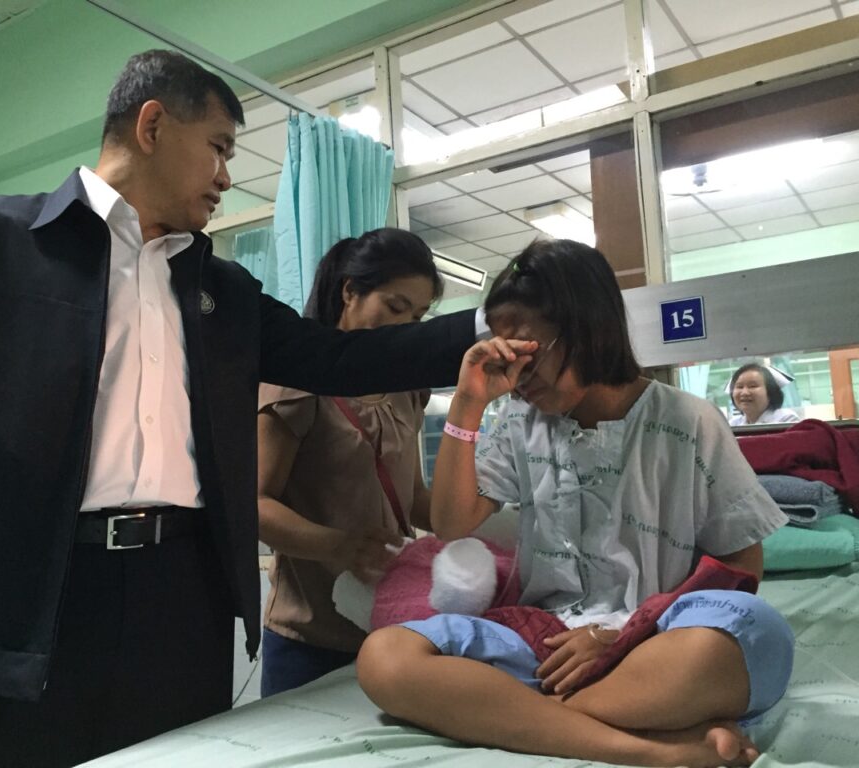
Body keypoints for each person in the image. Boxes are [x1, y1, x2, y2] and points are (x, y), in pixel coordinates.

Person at [0, 50, 479, 768]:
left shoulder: (224, 292)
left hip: (183, 602)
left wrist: (491, 325)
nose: (226, 177)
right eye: (218, 148)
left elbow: (342, 358)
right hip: (23, 605)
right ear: (152, 125)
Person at [356, 239, 794, 768]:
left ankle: (519, 715)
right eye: (503, 350)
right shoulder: (519, 424)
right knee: (386, 658)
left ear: (588, 327)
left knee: (755, 632)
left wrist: (619, 634)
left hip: (657, 639)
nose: (517, 374)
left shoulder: (688, 421)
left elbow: (743, 566)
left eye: (526, 349)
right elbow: (451, 523)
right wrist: (470, 403)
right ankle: (648, 747)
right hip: (547, 645)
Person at [257, 229, 443, 696]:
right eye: (396, 307)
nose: (407, 327)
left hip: (395, 626)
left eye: (418, 316)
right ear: (350, 291)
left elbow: (411, 495)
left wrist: (477, 520)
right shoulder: (296, 382)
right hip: (310, 639)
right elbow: (252, 503)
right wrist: (337, 546)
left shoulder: (406, 386)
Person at [728, 363, 800, 426]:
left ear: (770, 392)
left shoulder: (786, 419)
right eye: (739, 387)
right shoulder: (733, 424)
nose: (744, 393)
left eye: (752, 386)